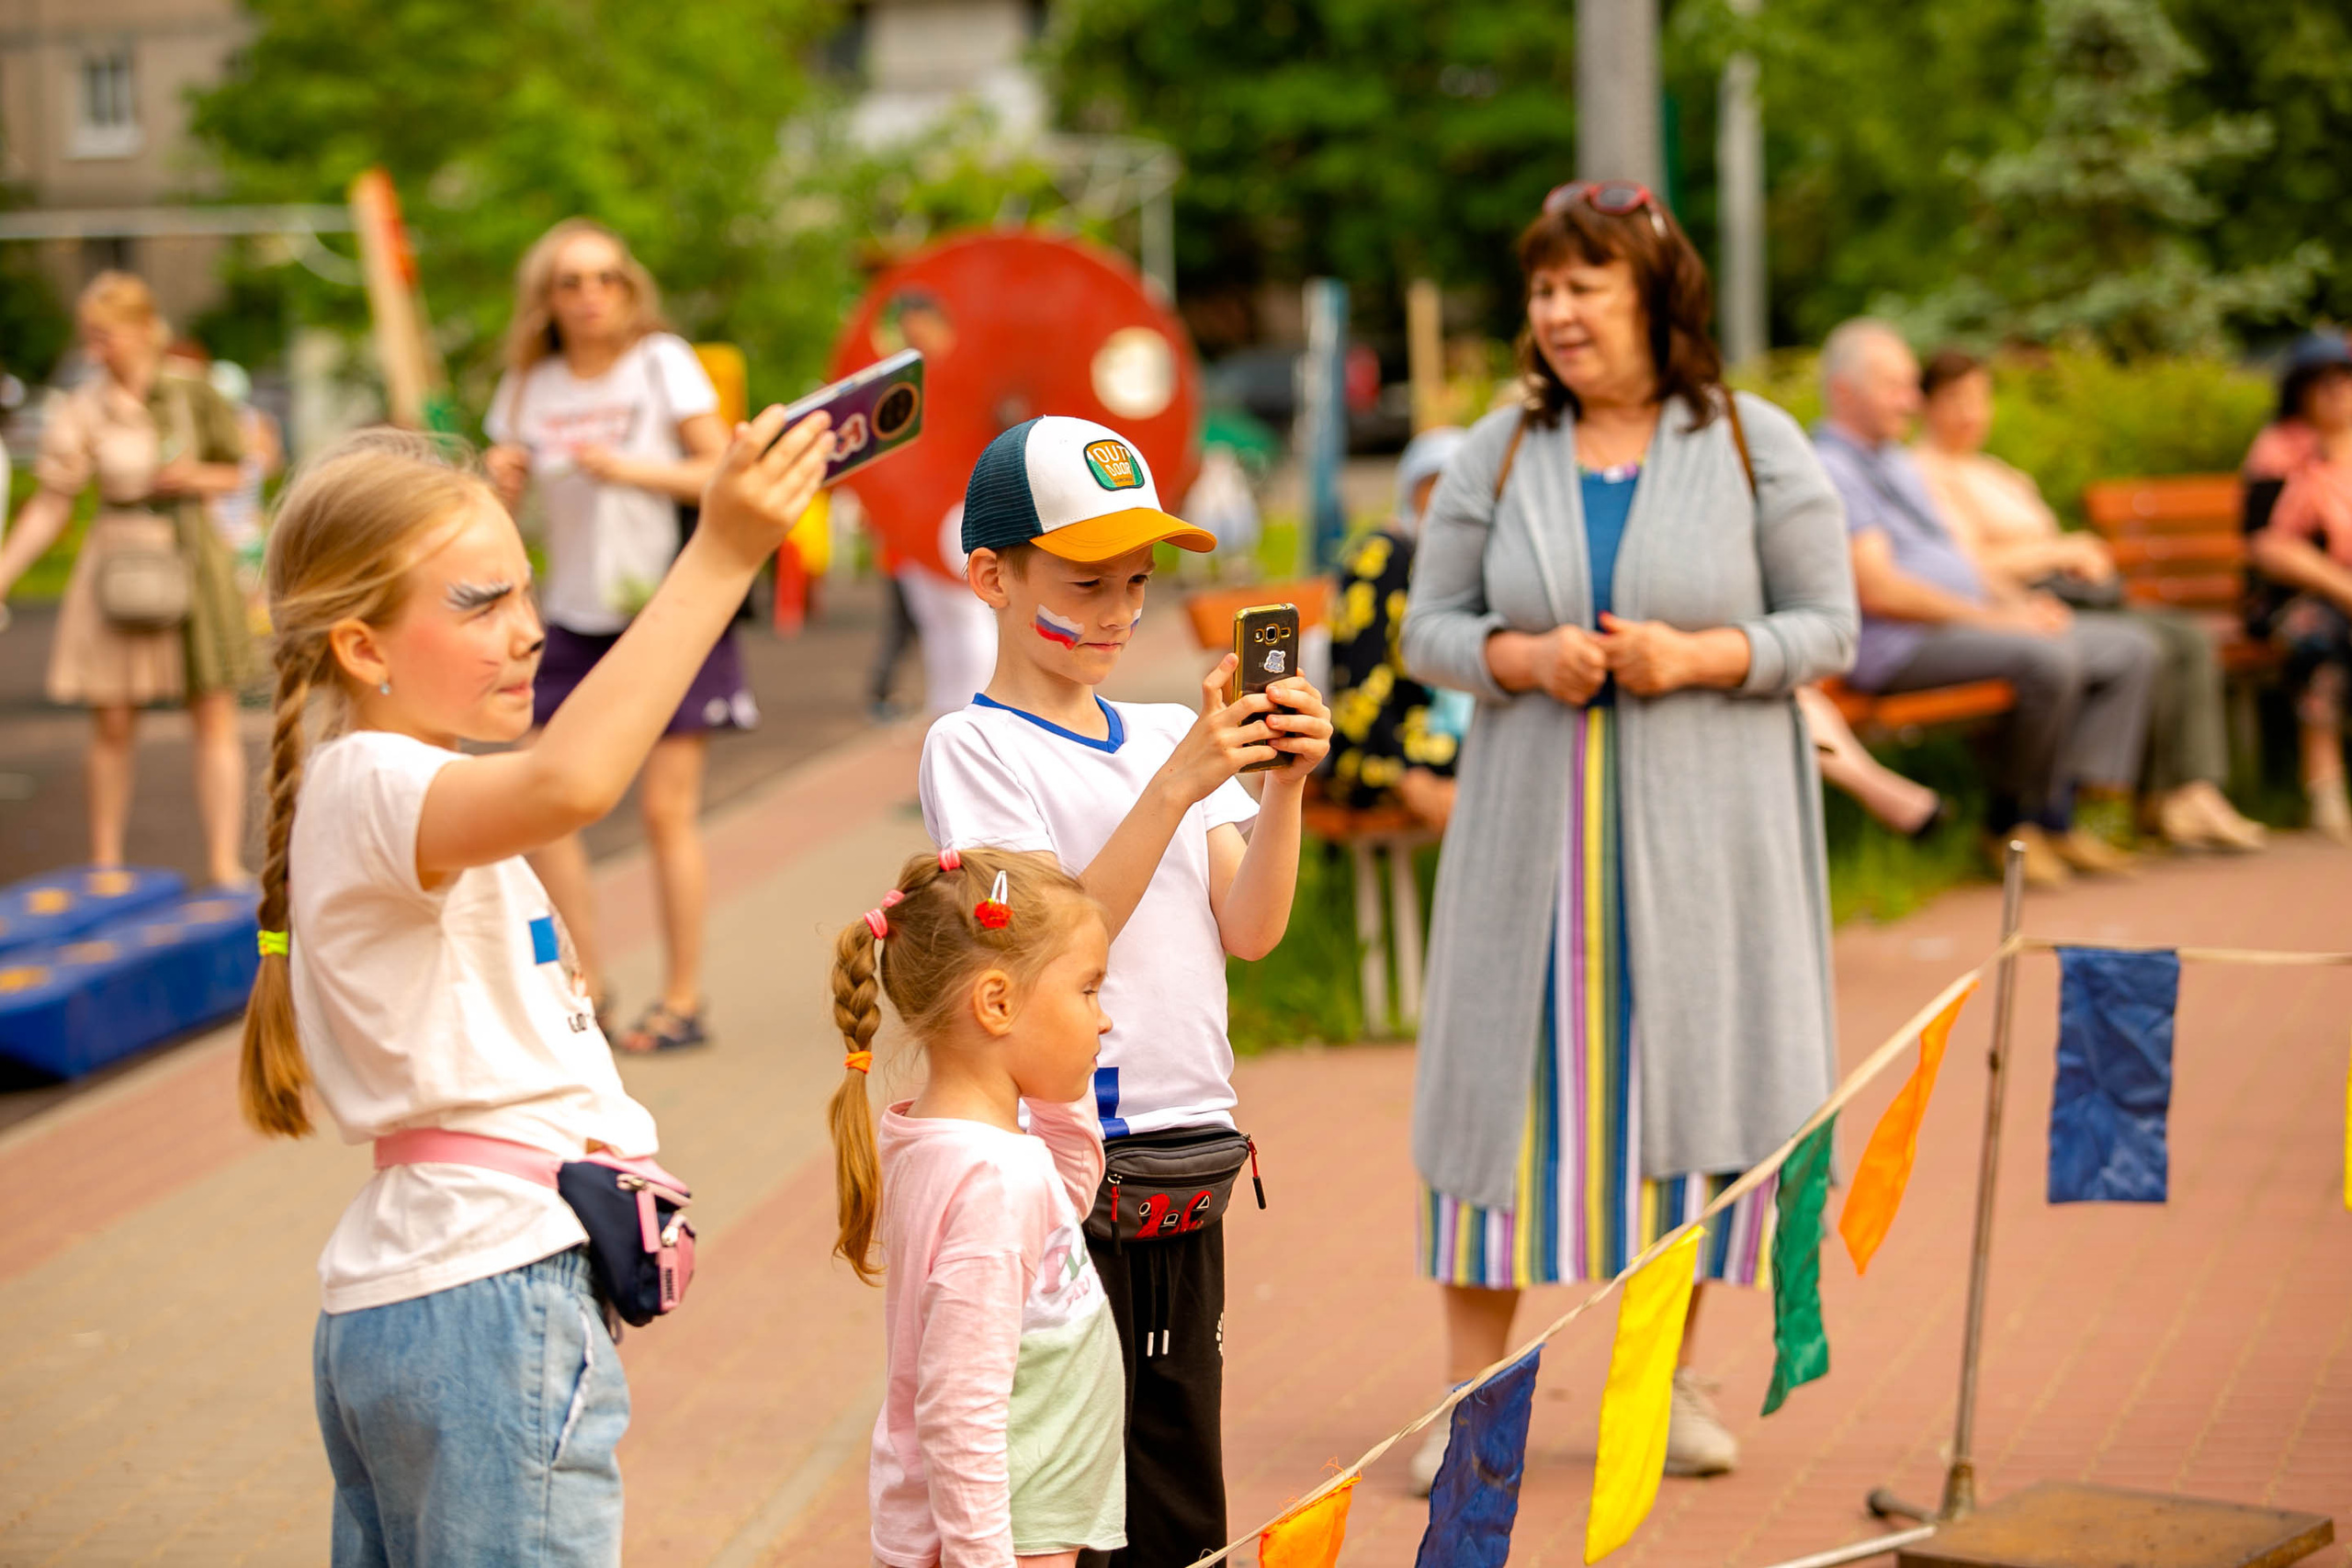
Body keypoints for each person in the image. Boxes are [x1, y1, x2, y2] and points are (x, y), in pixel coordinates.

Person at [233, 406, 831, 1562]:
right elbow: (572, 781)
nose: (525, 633)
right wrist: (721, 550)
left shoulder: (398, 789)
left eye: (524, 591)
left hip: (447, 1291)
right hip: (486, 1296)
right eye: (477, 603)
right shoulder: (373, 781)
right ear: (363, 646)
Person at [1401, 181, 1857, 1488]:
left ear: (1657, 297)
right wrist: (1521, 653)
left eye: (1583, 287)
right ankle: (1470, 1400)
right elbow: (1425, 627)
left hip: (1707, 851)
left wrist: (1700, 652)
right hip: (1530, 855)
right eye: (1543, 291)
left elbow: (1828, 626)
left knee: (1692, 1090)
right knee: (1504, 1104)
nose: (1556, 314)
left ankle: (1665, 1384)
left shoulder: (1755, 442)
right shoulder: (1497, 451)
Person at [920, 415, 1331, 1567]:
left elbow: (1251, 930)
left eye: (1138, 582)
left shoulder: (1159, 730)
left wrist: (1282, 787)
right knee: (1072, 1489)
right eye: (1085, 580)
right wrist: (1181, 778)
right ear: (992, 577)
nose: (1117, 612)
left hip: (1189, 1153)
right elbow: (1043, 946)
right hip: (1068, 1166)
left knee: (1179, 1479)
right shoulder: (974, 747)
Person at [484, 218, 742, 1053]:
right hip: (568, 614)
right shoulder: (529, 386)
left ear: (629, 289)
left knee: (667, 812)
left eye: (607, 279)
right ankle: (586, 984)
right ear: (547, 299)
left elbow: (723, 471)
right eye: (572, 282)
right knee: (544, 800)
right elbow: (498, 518)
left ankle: (683, 999)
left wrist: (631, 468)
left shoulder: (662, 362)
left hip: (666, 608)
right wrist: (499, 482)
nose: (592, 296)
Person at [831, 846, 1127, 1567]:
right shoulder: (995, 1180)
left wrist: (1059, 1085)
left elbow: (1071, 1192)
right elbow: (959, 1408)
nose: (1107, 1020)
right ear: (996, 1002)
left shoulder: (939, 1137)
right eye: (1088, 991)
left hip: (1017, 1525)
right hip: (1007, 1540)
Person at [1815, 319, 2158, 888]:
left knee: (2125, 649)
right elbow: (1882, 590)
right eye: (1895, 386)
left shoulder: (1896, 461)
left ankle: (2057, 819)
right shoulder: (1831, 468)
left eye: (1911, 385)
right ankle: (2008, 826)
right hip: (1897, 645)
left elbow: (1961, 562)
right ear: (1845, 392)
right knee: (2048, 662)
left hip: (1960, 623)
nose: (1912, 400)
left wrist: (2023, 606)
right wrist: (2004, 622)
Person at [1915, 349, 2263, 852]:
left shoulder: (1996, 471)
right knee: (2144, 645)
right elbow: (1968, 566)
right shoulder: (1926, 474)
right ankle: (2111, 806)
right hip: (2022, 600)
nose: (1971, 413)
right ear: (1926, 405)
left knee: (2187, 636)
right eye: (1956, 400)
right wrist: (2059, 551)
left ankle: (2186, 792)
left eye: (1980, 399)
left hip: (2069, 591)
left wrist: (2082, 555)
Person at [0, 271, 256, 886]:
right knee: (112, 718)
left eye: (105, 335)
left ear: (144, 329)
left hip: (191, 553)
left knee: (212, 709)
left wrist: (193, 477)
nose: (96, 349)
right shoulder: (83, 404)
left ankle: (224, 862)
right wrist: (4, 573)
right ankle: (106, 864)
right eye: (90, 337)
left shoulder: (193, 392)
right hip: (118, 561)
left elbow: (235, 469)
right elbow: (53, 499)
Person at [1328, 426, 1471, 829]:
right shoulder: (1384, 556)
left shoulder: (1464, 558)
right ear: (1411, 490)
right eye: (1434, 484)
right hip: (1382, 754)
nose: (1449, 498)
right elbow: (1360, 690)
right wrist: (1409, 776)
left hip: (1454, 746)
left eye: (1462, 484)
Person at [2244, 331, 2352, 843]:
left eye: (2345, 379)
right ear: (2299, 391)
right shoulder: (2278, 451)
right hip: (2298, 595)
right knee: (2318, 635)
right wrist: (2342, 587)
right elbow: (2264, 543)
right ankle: (2324, 785)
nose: (2336, 392)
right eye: (2322, 382)